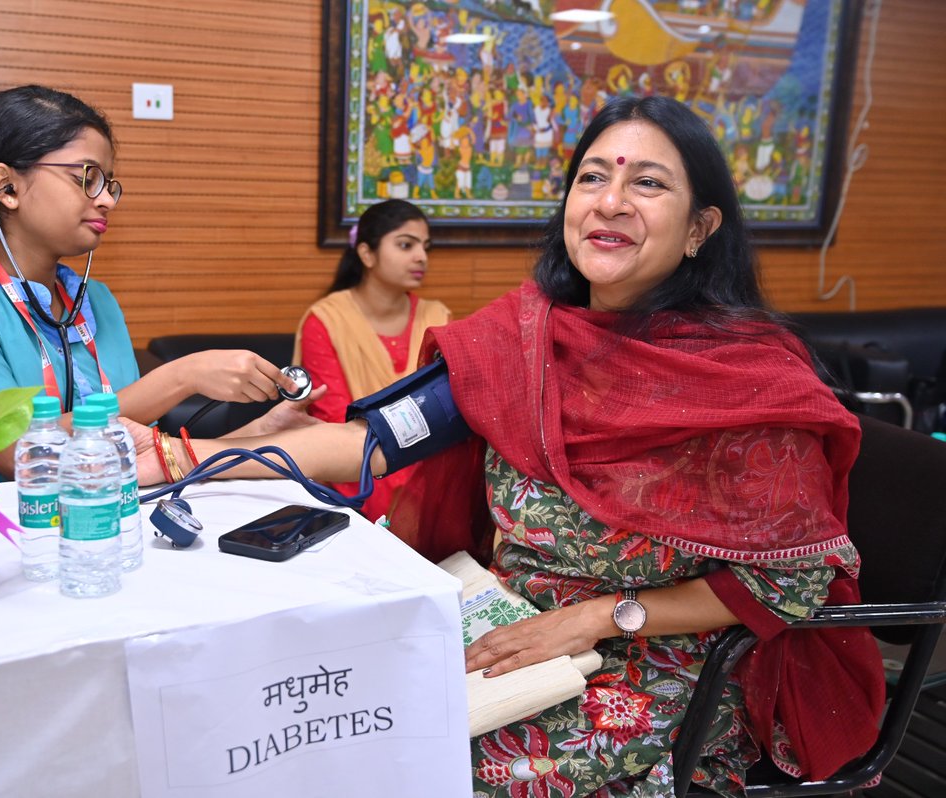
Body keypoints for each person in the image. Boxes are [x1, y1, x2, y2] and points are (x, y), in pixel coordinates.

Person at [138, 96, 885, 796]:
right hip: (501, 626)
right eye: (593, 176)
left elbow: (786, 585)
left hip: (653, 667)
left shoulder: (749, 379)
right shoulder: (521, 343)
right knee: (321, 717)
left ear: (700, 227)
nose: (611, 200)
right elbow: (368, 445)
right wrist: (181, 459)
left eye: (648, 183)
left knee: (418, 761)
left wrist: (600, 616)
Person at [0, 85, 316, 477]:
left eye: (108, 183)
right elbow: (8, 448)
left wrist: (259, 434)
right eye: (86, 178)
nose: (107, 199)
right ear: (8, 186)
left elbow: (132, 458)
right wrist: (181, 377)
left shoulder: (97, 304)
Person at [292, 199, 450, 522]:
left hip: (429, 476)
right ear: (366, 254)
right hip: (351, 476)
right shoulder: (327, 321)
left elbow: (446, 414)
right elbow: (336, 423)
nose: (421, 257)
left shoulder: (437, 317)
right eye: (406, 245)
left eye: (425, 247)